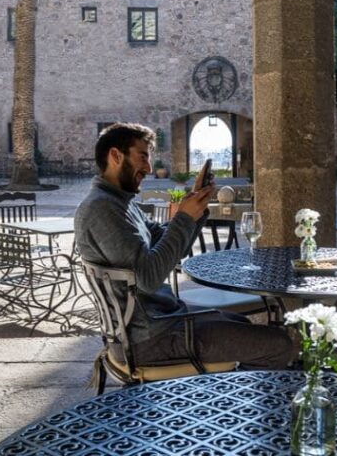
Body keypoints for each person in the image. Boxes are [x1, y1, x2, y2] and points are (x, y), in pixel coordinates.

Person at [75, 122, 295, 370]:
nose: (148, 168)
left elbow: (165, 243)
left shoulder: (119, 203)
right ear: (115, 155)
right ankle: (232, 400)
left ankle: (224, 392)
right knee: (280, 344)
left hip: (161, 323)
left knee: (241, 321)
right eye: (143, 157)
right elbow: (148, 278)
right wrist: (184, 218)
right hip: (150, 339)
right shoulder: (102, 209)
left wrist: (195, 210)